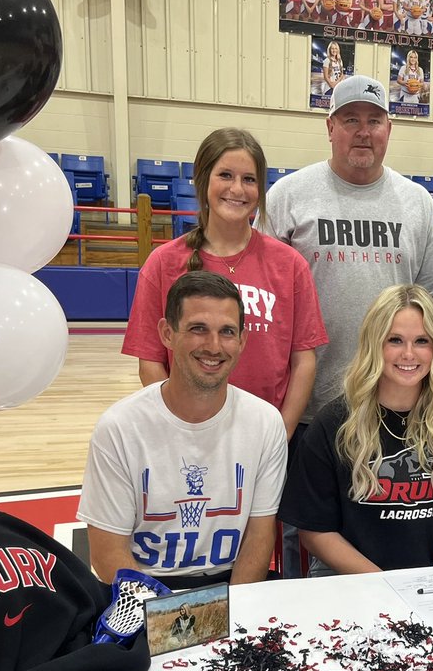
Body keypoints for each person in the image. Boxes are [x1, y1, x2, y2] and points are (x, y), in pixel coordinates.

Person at [265, 75, 433, 426]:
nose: (363, 131)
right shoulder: (287, 196)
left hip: (395, 404)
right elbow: (264, 298)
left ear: (389, 128)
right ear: (330, 126)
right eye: (351, 119)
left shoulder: (418, 203)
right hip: (305, 405)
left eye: (374, 121)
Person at [80, 271, 288, 588]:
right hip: (145, 590)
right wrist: (174, 621)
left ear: (242, 340)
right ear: (167, 333)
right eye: (198, 329)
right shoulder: (119, 427)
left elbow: (259, 540)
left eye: (227, 332)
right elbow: (108, 557)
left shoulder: (266, 422)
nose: (214, 346)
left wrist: (229, 618)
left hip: (231, 586)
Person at [279, 285, 433, 575]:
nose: (409, 354)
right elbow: (314, 529)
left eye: (422, 341)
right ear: (374, 343)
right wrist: (384, 586)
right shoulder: (334, 423)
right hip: (350, 579)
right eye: (395, 340)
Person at [122, 129, 326, 441]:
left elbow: (303, 361)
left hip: (265, 437)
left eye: (249, 179)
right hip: (188, 436)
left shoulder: (290, 265)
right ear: (203, 181)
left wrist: (280, 434)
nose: (237, 189)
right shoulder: (163, 263)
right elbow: (150, 362)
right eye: (226, 175)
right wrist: (181, 428)